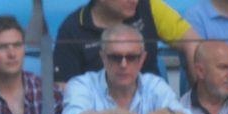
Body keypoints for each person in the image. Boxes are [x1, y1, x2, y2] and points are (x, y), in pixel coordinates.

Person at [61, 24, 190, 114]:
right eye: (116, 57)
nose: (123, 65)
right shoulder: (82, 85)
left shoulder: (154, 85)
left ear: (142, 59)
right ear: (103, 58)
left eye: (131, 57)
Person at [53, 0, 200, 85]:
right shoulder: (71, 30)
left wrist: (198, 102)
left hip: (153, 112)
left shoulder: (149, 6)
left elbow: (195, 44)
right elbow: (65, 91)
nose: (134, 0)